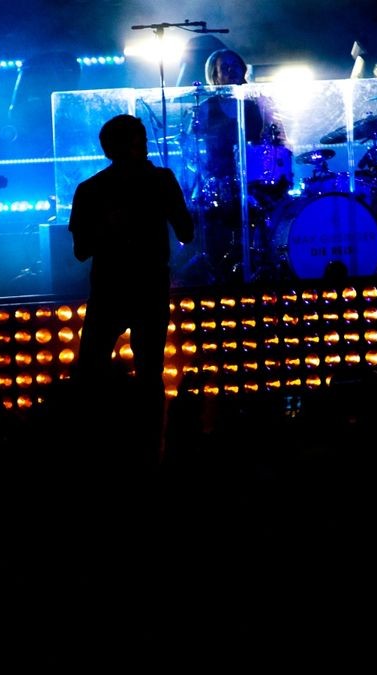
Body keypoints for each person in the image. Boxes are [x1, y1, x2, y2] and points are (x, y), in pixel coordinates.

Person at [68, 114, 195, 468]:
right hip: (148, 287)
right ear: (142, 143)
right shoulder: (162, 181)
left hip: (109, 289)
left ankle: (91, 451)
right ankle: (152, 451)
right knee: (150, 373)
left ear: (106, 148)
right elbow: (186, 232)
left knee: (90, 371)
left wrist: (106, 230)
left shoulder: (90, 190)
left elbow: (80, 251)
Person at [188, 48, 286, 283]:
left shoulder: (254, 105)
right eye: (225, 67)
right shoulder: (206, 107)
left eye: (236, 65)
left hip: (253, 180)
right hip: (219, 178)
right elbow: (190, 144)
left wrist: (268, 115)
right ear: (215, 75)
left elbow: (276, 141)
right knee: (217, 229)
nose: (232, 70)